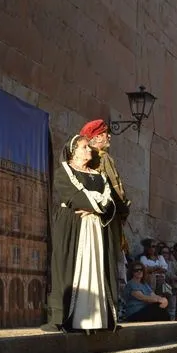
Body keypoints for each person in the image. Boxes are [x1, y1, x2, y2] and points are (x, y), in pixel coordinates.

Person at [46, 134, 117, 332]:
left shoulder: (99, 175)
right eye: (84, 147)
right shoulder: (65, 172)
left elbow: (109, 201)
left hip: (96, 228)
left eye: (88, 147)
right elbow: (73, 196)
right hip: (72, 226)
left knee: (96, 267)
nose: (89, 150)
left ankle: (96, 319)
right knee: (73, 267)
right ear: (73, 152)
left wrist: (96, 208)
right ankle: (72, 318)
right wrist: (97, 203)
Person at [80, 119, 130, 316]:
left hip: (95, 215)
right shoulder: (103, 158)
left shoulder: (85, 160)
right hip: (109, 216)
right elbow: (116, 190)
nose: (109, 136)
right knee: (113, 260)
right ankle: (112, 309)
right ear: (97, 137)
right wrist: (124, 210)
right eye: (105, 133)